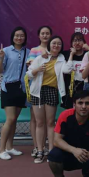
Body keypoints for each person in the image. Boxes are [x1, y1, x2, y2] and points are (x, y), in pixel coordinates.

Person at [27, 35, 68, 164]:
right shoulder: (40, 58)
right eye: (54, 43)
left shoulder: (62, 58)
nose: (56, 45)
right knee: (39, 122)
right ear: (49, 44)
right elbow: (28, 74)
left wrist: (71, 56)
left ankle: (51, 151)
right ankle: (40, 150)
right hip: (37, 91)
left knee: (50, 122)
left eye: (59, 44)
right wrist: (37, 69)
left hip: (52, 91)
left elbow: (67, 70)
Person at [0, 27, 30, 161]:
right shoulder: (6, 51)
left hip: (21, 88)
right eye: (17, 35)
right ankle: (1, 150)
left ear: (25, 38)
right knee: (9, 119)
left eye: (22, 36)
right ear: (13, 37)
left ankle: (9, 147)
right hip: (8, 88)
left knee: (14, 119)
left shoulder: (28, 52)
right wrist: (1, 58)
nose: (19, 38)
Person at [25, 26, 53, 161]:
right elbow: (30, 66)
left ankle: (45, 146)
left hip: (50, 88)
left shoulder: (54, 49)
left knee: (48, 121)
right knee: (35, 119)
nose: (45, 35)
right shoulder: (34, 50)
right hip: (36, 89)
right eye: (43, 33)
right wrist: (40, 59)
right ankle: (37, 146)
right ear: (39, 35)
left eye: (47, 33)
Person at [62, 33, 89, 109]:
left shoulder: (88, 54)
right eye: (75, 40)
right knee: (70, 112)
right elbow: (66, 70)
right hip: (70, 89)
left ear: (84, 42)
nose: (77, 43)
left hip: (84, 87)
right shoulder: (66, 54)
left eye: (80, 40)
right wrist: (71, 55)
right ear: (71, 43)